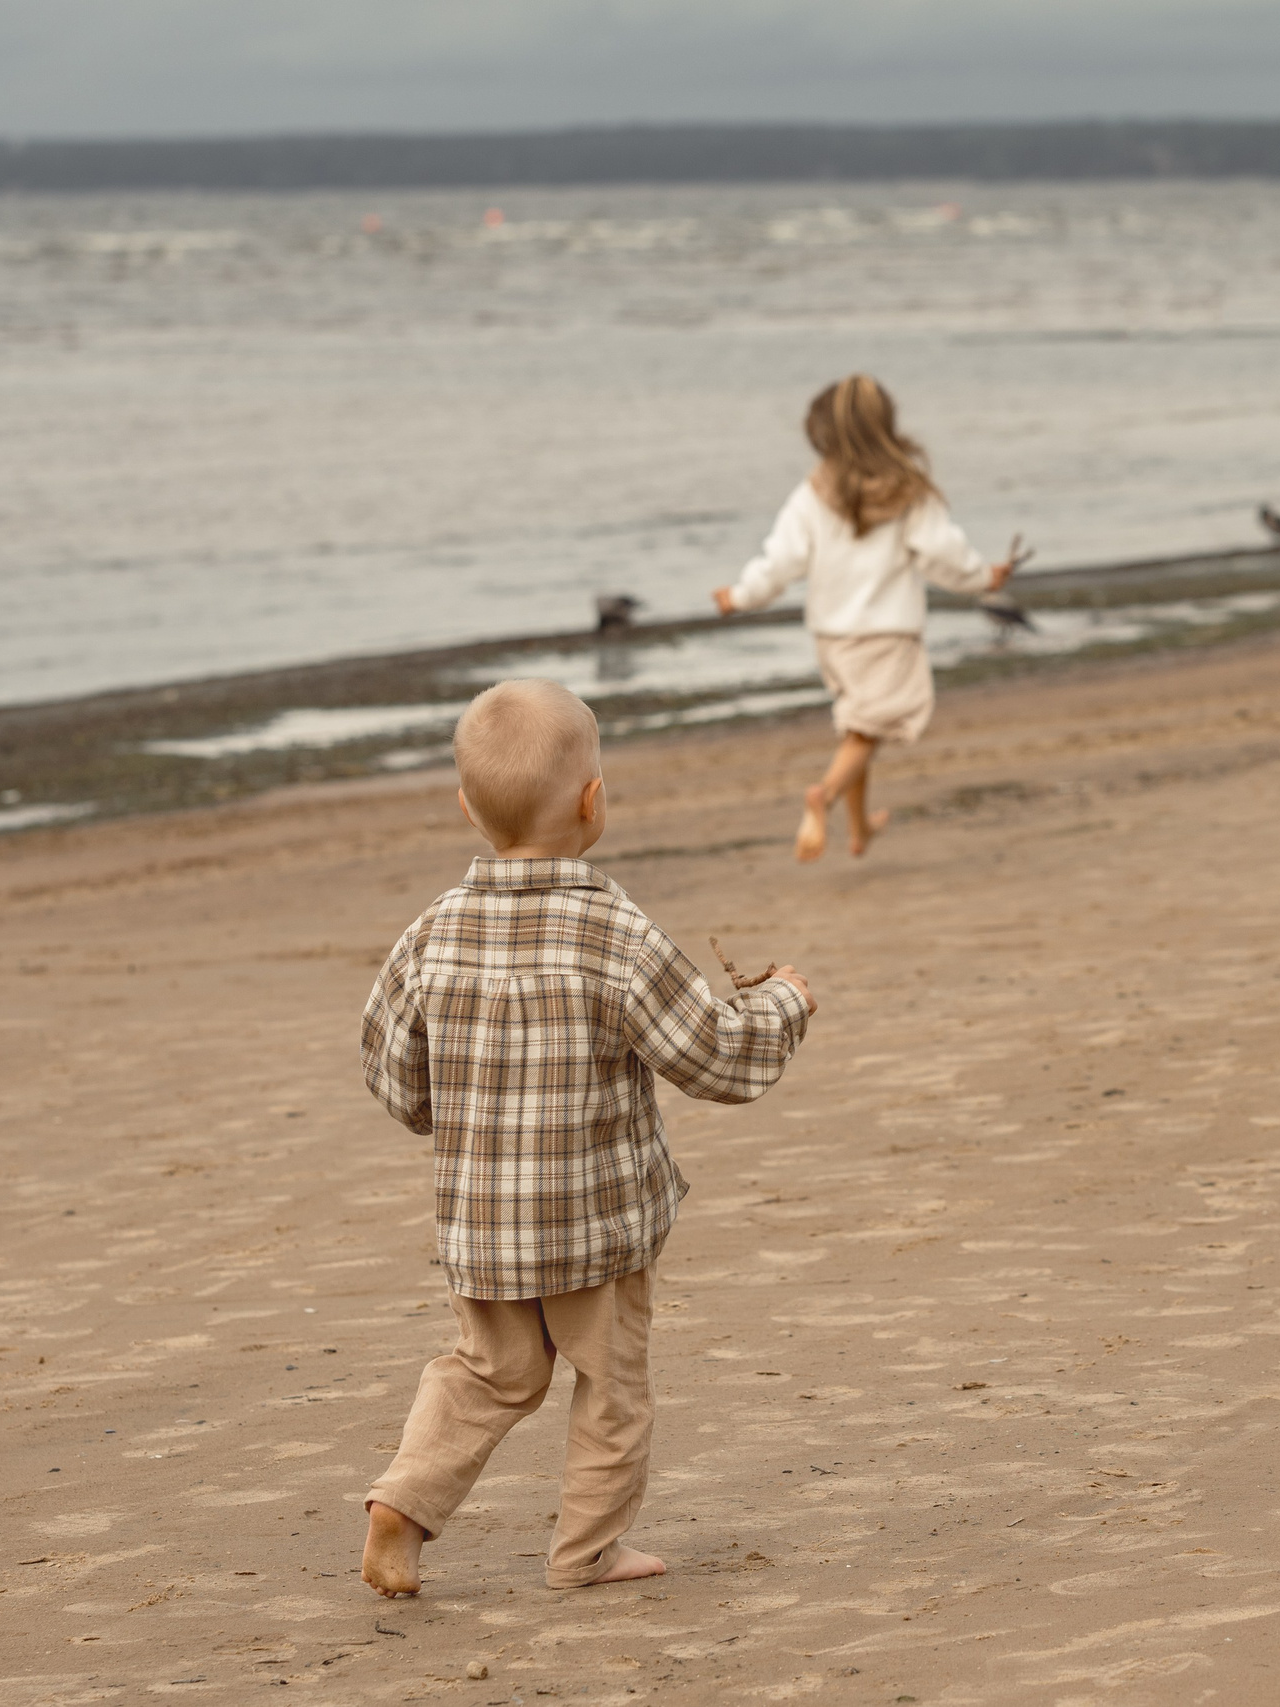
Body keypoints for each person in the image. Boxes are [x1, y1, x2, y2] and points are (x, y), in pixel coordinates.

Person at [355, 679, 816, 1597]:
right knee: (610, 1387)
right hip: (597, 1228)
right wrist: (784, 1003)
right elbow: (713, 1055)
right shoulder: (615, 929)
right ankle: (586, 1552)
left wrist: (439, 1116)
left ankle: (401, 1507)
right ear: (592, 801)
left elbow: (388, 1058)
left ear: (466, 807)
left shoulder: (431, 933)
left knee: (490, 1371)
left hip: (483, 1226)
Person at [713, 374, 1019, 862]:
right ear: (886, 425)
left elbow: (779, 562)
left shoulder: (811, 494)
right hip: (887, 634)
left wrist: (740, 596)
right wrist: (984, 578)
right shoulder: (909, 491)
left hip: (832, 637)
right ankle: (825, 796)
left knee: (859, 728)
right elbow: (944, 554)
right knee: (868, 729)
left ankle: (860, 829)